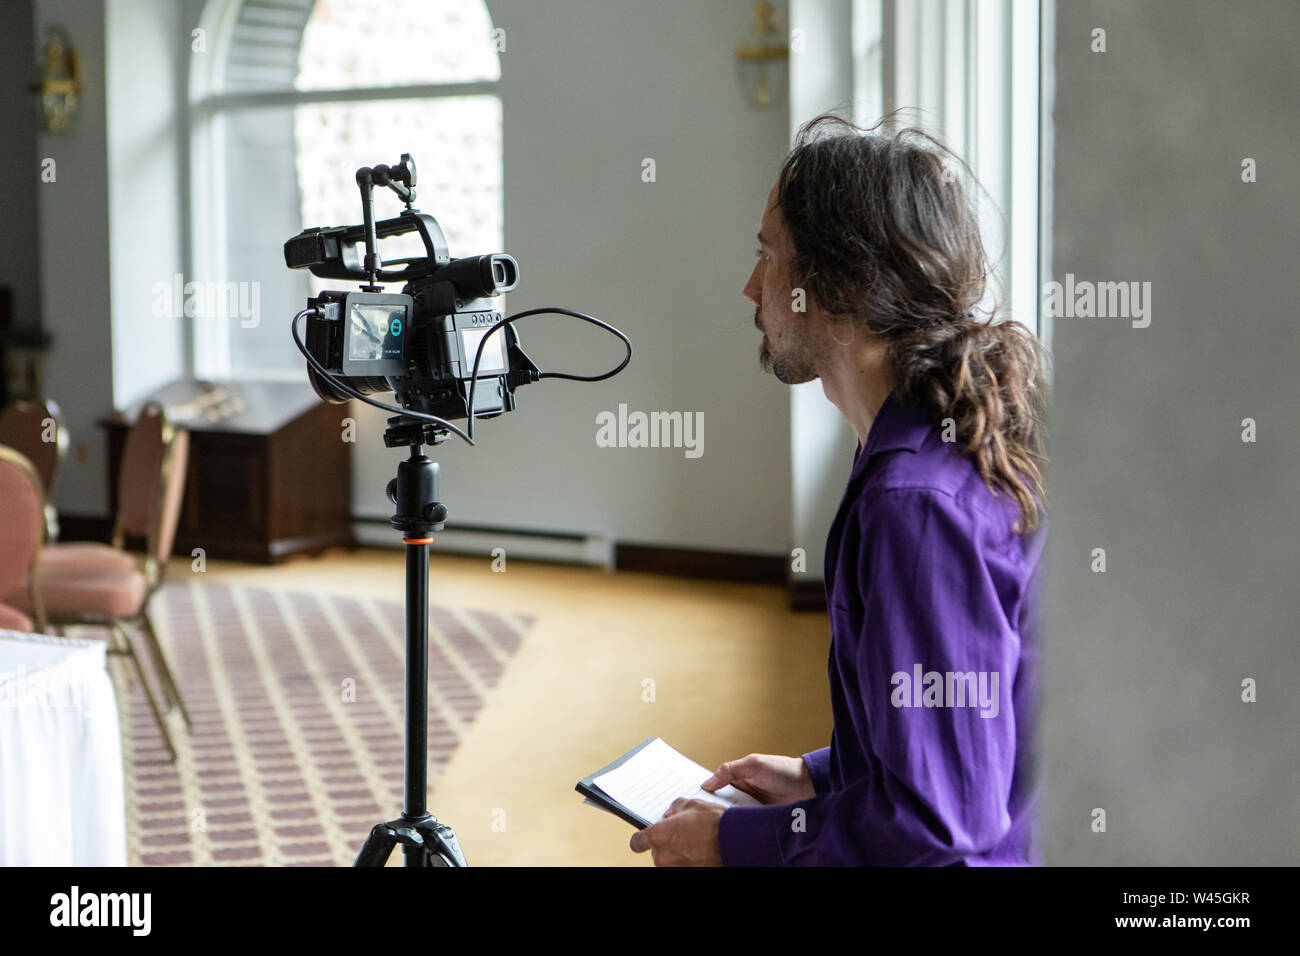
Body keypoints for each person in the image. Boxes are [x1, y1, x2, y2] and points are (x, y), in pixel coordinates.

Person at [629, 114, 1050, 866]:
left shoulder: (916, 506)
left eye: (769, 255)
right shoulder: (919, 444)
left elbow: (937, 825)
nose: (752, 285)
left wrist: (734, 841)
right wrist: (822, 777)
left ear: (843, 279)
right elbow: (963, 740)